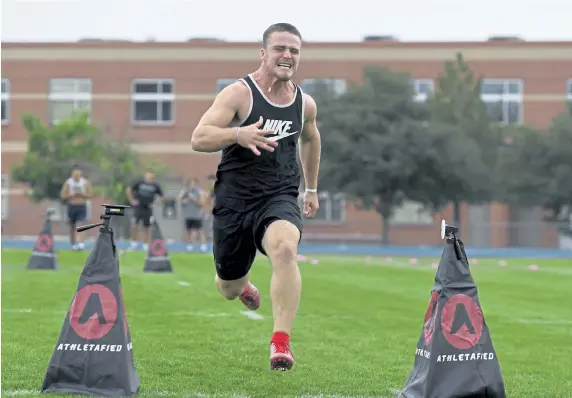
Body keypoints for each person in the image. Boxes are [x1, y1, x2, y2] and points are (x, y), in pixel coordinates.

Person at [191, 23, 321, 371]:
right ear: (263, 53)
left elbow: (310, 138)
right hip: (235, 200)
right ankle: (243, 283)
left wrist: (311, 188)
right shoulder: (239, 94)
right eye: (280, 48)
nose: (287, 56)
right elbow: (199, 137)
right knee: (228, 288)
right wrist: (237, 133)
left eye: (294, 50)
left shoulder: (304, 103)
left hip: (279, 195)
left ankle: (281, 344)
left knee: (285, 247)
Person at [125, 169, 164, 251]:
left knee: (147, 227)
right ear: (145, 175)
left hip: (148, 208)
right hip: (139, 207)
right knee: (134, 225)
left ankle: (145, 245)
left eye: (152, 175)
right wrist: (132, 200)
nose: (150, 177)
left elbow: (161, 196)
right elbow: (129, 190)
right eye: (149, 175)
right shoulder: (139, 183)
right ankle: (133, 244)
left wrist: (156, 203)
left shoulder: (155, 185)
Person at [60, 165, 92, 251]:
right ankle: (73, 244)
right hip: (72, 205)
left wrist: (81, 194)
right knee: (72, 226)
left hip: (81, 205)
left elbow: (90, 195)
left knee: (81, 223)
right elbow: (63, 195)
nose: (77, 174)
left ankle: (81, 243)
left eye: (78, 172)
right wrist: (71, 195)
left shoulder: (85, 182)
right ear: (72, 173)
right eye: (75, 173)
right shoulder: (68, 183)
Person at [179, 177, 208, 252]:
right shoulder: (185, 192)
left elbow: (201, 204)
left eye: (194, 183)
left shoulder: (200, 192)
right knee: (188, 230)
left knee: (199, 231)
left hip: (197, 215)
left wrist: (194, 199)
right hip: (188, 214)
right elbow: (180, 201)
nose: (192, 185)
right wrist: (184, 200)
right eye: (191, 183)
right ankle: (189, 246)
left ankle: (203, 246)